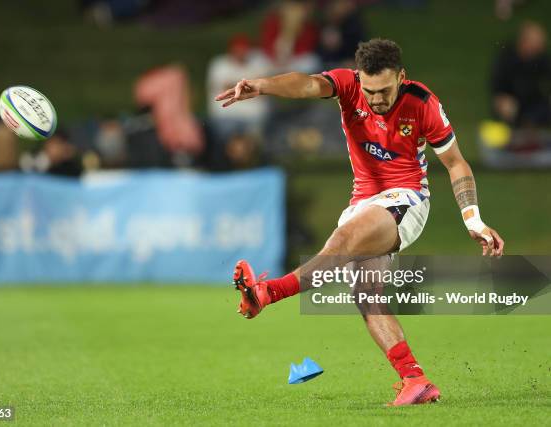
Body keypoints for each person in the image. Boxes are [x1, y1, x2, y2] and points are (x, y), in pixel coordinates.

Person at [216, 38, 505, 406]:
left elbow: (456, 163)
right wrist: (262, 84)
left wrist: (473, 220)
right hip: (363, 201)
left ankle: (268, 293)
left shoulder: (422, 103)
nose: (377, 99)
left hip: (407, 200)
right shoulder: (348, 86)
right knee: (367, 295)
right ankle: (415, 380)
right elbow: (306, 84)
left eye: (384, 90)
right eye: (370, 91)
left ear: (402, 77)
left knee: (343, 239)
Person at [491, 21, 550, 128]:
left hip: (534, 102)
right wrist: (501, 99)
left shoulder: (541, 58)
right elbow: (497, 84)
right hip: (512, 100)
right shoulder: (508, 57)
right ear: (524, 41)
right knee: (508, 108)